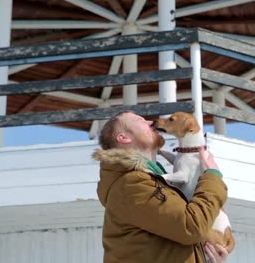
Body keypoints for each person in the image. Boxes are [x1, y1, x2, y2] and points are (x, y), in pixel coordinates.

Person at [93, 111, 229, 263]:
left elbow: (175, 243)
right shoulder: (132, 184)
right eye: (140, 120)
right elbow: (191, 227)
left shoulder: (154, 181)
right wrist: (213, 176)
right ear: (124, 138)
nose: (151, 122)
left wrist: (207, 258)